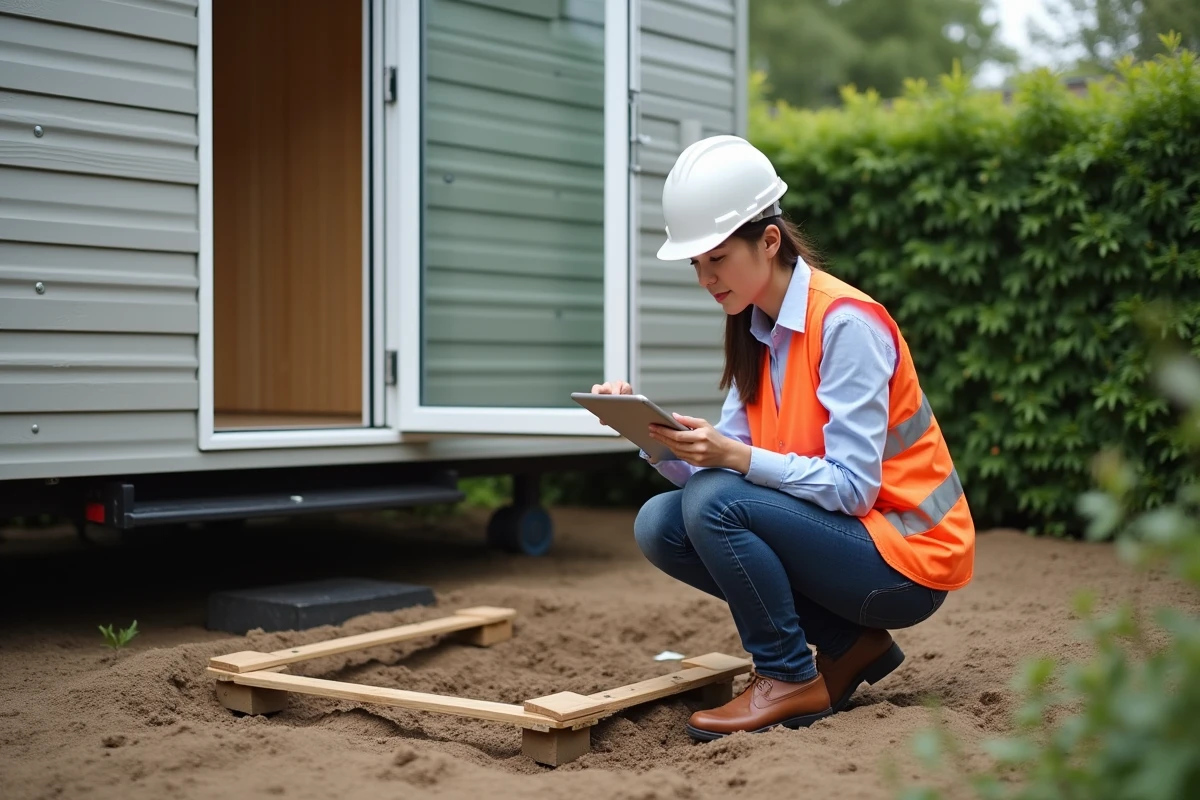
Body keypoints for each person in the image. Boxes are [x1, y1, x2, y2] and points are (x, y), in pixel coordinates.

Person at [589, 135, 975, 742]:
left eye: (716, 258)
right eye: (697, 265)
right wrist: (649, 434)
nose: (705, 279)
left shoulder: (844, 324)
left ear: (769, 241)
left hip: (908, 562)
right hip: (852, 546)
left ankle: (789, 676)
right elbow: (714, 476)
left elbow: (850, 489)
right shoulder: (757, 330)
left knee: (715, 501)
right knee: (660, 523)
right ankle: (853, 647)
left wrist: (734, 456)